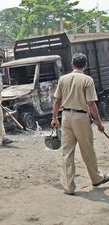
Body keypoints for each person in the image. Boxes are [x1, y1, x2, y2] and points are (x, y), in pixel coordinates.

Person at [52, 53, 109, 195]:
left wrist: (54, 118)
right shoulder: (87, 80)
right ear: (85, 65)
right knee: (87, 150)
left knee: (67, 152)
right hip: (81, 117)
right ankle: (96, 178)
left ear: (72, 64)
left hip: (65, 116)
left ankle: (68, 187)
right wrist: (99, 123)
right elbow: (91, 104)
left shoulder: (63, 79)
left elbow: (57, 101)